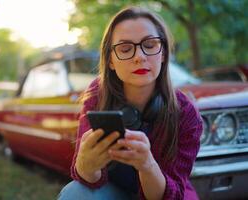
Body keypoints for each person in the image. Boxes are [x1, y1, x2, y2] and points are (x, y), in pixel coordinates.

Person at [58, 6, 203, 200]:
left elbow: (171, 195)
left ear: (164, 54)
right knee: (74, 192)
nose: (139, 57)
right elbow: (87, 180)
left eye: (150, 45)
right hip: (115, 192)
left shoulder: (186, 113)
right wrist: (85, 165)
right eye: (125, 49)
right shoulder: (96, 95)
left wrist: (147, 165)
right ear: (110, 60)